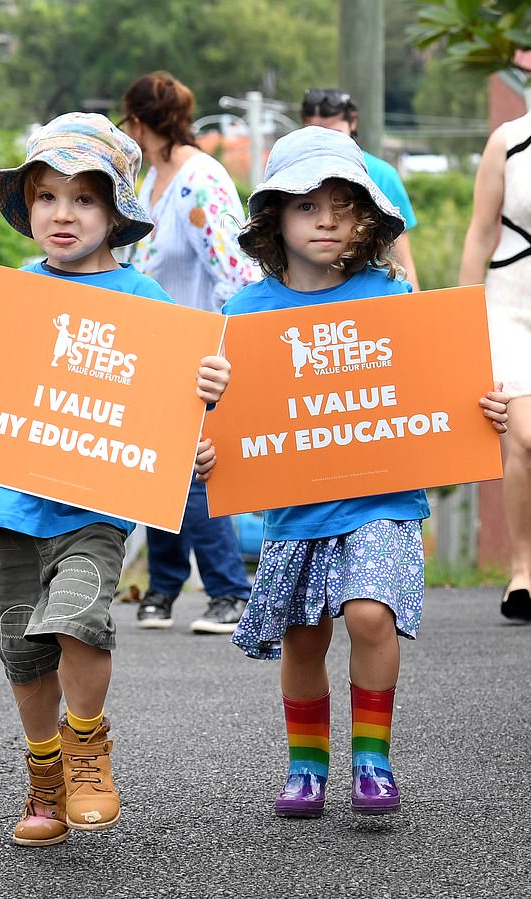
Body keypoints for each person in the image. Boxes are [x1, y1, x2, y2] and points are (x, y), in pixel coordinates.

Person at [196, 126, 509, 817]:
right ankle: (306, 766)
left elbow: (439, 391)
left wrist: (477, 408)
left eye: (342, 205)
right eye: (307, 207)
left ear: (366, 215)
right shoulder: (243, 315)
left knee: (371, 616)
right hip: (294, 510)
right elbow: (225, 422)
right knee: (305, 635)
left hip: (383, 497)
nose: (328, 221)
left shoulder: (392, 298)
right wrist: (207, 439)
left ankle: (373, 759)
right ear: (274, 217)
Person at [0, 112, 232, 847]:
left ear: (115, 213)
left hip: (96, 505)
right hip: (11, 505)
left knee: (79, 620)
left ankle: (88, 745)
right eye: (47, 196)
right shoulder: (10, 293)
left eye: (84, 198)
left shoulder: (145, 299)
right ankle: (45, 773)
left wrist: (203, 403)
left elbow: (174, 403)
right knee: (22, 649)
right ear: (28, 208)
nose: (64, 214)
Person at [120, 71, 257, 634]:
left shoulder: (201, 181)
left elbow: (236, 270)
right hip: (149, 346)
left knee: (194, 471)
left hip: (197, 346)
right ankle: (165, 588)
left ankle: (229, 591)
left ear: (138, 122)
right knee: (159, 473)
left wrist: (218, 342)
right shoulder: (149, 180)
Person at [459, 110, 531, 622]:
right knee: (524, 437)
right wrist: (460, 327)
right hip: (510, 305)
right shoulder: (507, 142)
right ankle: (523, 570)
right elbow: (480, 236)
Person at [300, 88, 420, 290]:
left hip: (370, 293)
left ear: (352, 122)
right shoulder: (290, 178)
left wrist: (415, 306)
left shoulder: (381, 175)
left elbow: (402, 258)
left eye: (335, 134)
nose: (326, 144)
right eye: (315, 134)